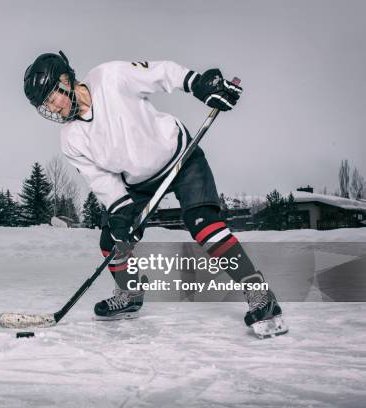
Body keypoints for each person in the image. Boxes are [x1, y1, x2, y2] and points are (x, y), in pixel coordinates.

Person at [23, 51, 287, 337]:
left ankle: (258, 292)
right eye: (45, 106)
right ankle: (130, 294)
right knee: (112, 239)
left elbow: (161, 72)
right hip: (138, 183)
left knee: (204, 226)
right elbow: (101, 180)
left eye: (52, 98)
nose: (53, 109)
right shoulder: (71, 138)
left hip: (181, 157)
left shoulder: (109, 77)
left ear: (66, 80)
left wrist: (197, 84)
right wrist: (120, 209)